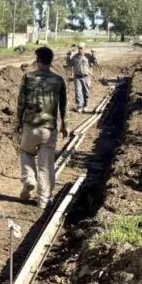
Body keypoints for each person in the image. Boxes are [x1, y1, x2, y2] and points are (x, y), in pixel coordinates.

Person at [16, 46, 68, 207]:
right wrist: (64, 125)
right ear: (51, 61)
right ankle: (44, 200)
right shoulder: (59, 80)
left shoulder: (28, 77)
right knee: (46, 165)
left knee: (26, 152)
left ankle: (29, 179)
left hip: (30, 125)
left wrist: (18, 122)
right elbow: (63, 105)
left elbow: (21, 102)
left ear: (38, 60)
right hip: (49, 128)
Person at [69, 44, 93, 112]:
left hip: (86, 77)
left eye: (81, 48)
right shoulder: (75, 56)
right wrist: (68, 56)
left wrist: (94, 54)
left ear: (85, 49)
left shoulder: (88, 56)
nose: (80, 50)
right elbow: (69, 64)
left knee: (86, 92)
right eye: (79, 48)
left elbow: (95, 62)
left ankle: (86, 105)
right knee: (78, 92)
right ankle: (80, 106)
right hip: (77, 77)